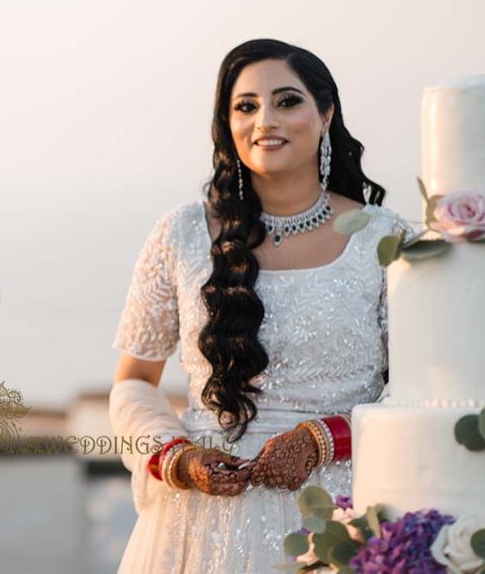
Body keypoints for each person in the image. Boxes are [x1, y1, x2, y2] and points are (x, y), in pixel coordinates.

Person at [108, 39, 401, 572]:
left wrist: (320, 441)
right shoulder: (183, 233)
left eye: (287, 101)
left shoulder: (383, 239)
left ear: (326, 112)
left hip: (338, 519)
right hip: (196, 526)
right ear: (227, 123)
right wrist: (178, 458)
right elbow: (133, 381)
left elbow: (414, 392)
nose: (265, 119)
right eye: (245, 106)